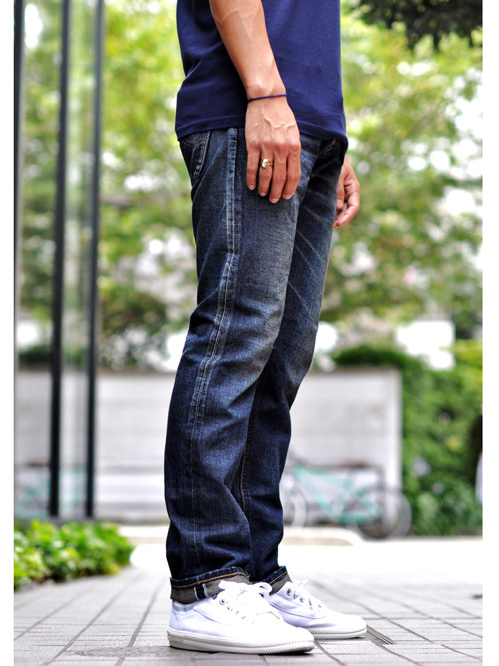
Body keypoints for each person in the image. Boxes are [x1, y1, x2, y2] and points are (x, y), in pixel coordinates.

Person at [164, 0, 366, 654]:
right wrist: (266, 93)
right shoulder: (260, 97)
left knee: (281, 360)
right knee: (235, 338)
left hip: (309, 125)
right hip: (249, 109)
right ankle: (205, 584)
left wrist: (331, 139)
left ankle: (256, 575)